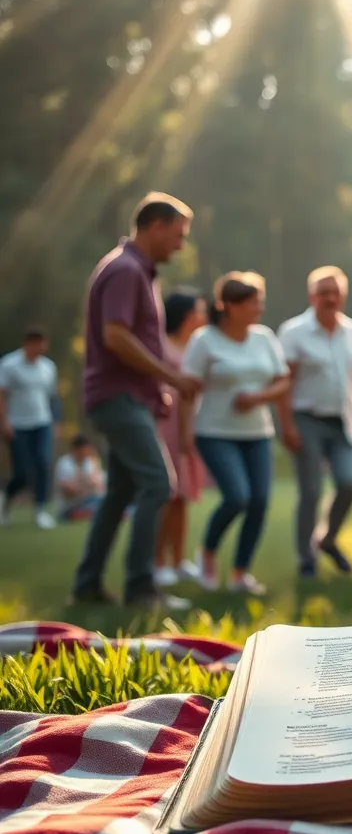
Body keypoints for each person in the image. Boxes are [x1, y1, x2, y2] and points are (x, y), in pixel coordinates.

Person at [70, 193, 200, 610]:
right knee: (159, 485)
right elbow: (116, 336)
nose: (180, 246)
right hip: (119, 398)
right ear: (155, 226)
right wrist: (171, 377)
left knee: (120, 492)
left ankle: (87, 585)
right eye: (178, 236)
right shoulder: (126, 271)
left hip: (129, 397)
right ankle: (142, 587)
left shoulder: (138, 273)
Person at [180, 272, 290, 595]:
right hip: (214, 432)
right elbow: (187, 388)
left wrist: (258, 398)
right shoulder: (204, 340)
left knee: (259, 501)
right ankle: (208, 553)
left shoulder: (264, 338)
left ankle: (241, 573)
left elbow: (283, 381)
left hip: (257, 432)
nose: (259, 308)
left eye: (260, 301)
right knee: (237, 496)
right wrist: (185, 433)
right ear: (228, 305)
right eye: (251, 302)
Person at [278, 266, 352, 578]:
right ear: (312, 296)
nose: (330, 298)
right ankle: (305, 558)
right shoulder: (294, 332)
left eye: (335, 293)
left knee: (349, 483)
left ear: (343, 296)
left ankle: (327, 539)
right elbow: (284, 383)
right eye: (324, 293)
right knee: (310, 491)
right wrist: (287, 426)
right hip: (307, 418)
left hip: (345, 419)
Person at [154, 290, 208, 587]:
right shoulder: (161, 346)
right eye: (198, 311)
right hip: (165, 423)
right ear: (186, 315)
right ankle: (157, 562)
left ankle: (178, 560)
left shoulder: (196, 347)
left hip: (188, 424)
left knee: (182, 496)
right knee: (166, 493)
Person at [0, 327, 58, 529]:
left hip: (42, 422)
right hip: (17, 425)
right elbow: (2, 395)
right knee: (22, 473)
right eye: (37, 344)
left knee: (43, 464)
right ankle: (6, 502)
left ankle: (39, 511)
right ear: (28, 344)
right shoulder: (9, 364)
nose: (41, 348)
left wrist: (55, 423)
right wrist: (4, 422)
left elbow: (51, 397)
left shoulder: (48, 367)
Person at [54, 435, 106, 522]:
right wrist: (87, 486)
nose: (87, 452)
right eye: (84, 450)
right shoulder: (65, 463)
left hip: (91, 501)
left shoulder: (89, 462)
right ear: (76, 450)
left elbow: (99, 486)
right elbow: (70, 490)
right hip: (71, 505)